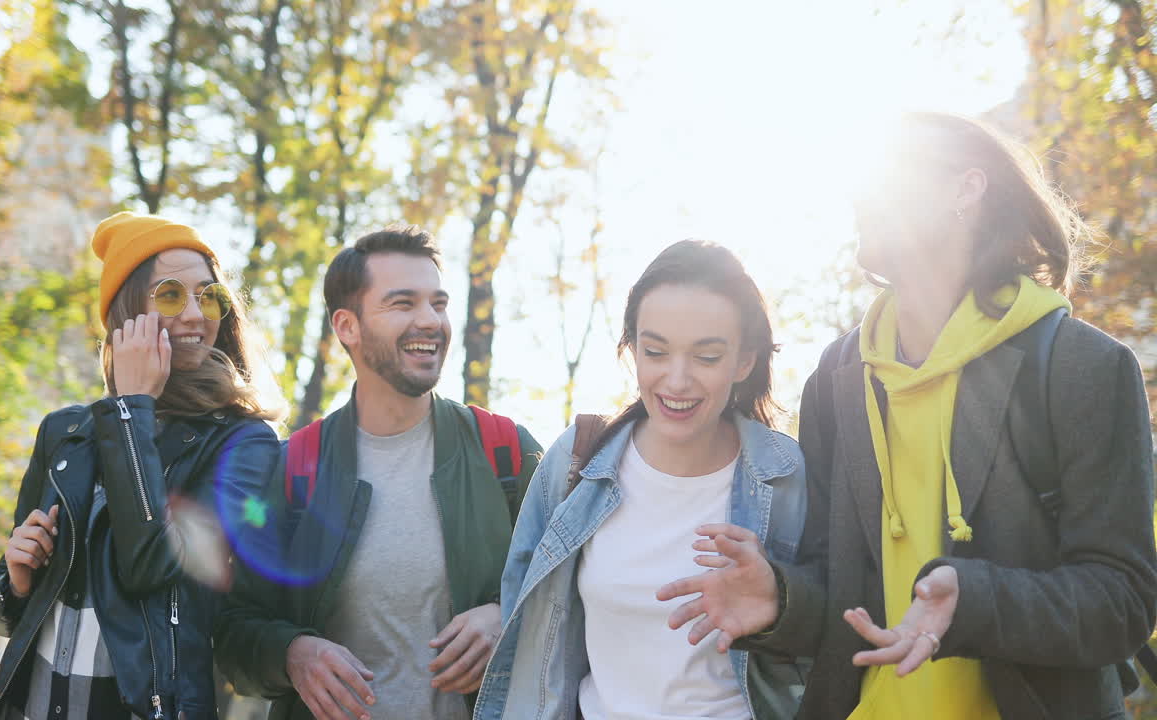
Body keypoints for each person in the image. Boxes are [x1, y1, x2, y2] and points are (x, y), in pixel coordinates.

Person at [667, 112, 1157, 719]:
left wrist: (973, 601)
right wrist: (780, 598)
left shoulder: (1080, 366)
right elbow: (838, 590)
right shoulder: (839, 379)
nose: (861, 196)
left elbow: (1124, 603)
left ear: (965, 189)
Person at [214, 224, 543, 720]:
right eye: (403, 303)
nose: (430, 320)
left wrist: (507, 616)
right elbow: (234, 626)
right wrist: (292, 653)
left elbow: (577, 587)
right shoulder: (290, 469)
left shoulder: (506, 452)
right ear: (348, 326)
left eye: (438, 303)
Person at [474, 239, 809, 720]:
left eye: (706, 357)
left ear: (744, 361)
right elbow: (523, 625)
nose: (676, 380)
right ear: (632, 349)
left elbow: (823, 632)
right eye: (655, 351)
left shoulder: (787, 475)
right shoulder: (577, 461)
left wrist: (780, 596)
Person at [0, 211, 285, 720]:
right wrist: (17, 580)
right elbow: (6, 613)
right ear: (125, 316)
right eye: (169, 295)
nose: (194, 313)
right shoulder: (65, 434)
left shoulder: (245, 443)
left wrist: (131, 408)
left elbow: (152, 570)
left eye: (210, 295)